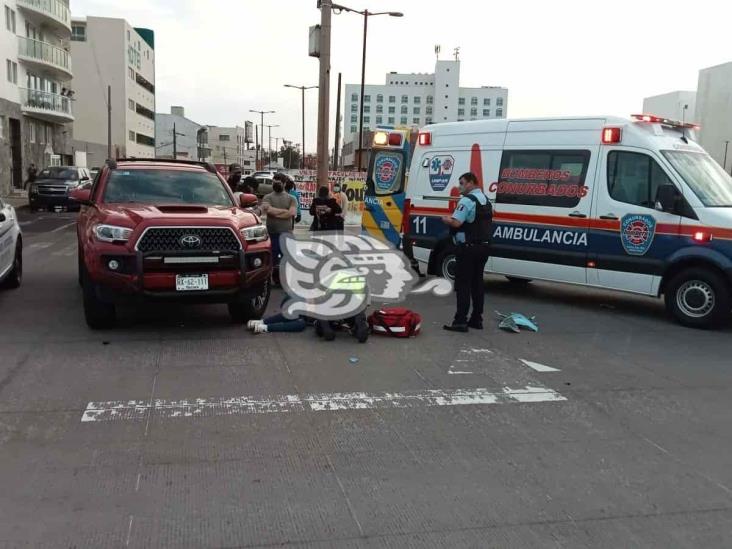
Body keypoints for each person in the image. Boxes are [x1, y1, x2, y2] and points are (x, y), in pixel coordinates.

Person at [441, 172, 493, 333]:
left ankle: (460, 321)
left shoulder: (467, 201)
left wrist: (446, 219)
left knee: (463, 285)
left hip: (468, 248)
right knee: (477, 284)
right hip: (484, 247)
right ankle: (477, 319)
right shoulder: (485, 200)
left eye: (462, 183)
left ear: (471, 183)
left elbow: (457, 223)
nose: (459, 186)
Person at [261, 176, 298, 283]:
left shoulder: (292, 198)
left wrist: (275, 213)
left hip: (287, 233)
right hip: (272, 233)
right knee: (273, 258)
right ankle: (273, 277)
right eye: (275, 181)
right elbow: (268, 211)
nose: (277, 183)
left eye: (280, 181)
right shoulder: (267, 197)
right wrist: (284, 212)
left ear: (285, 183)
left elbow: (291, 213)